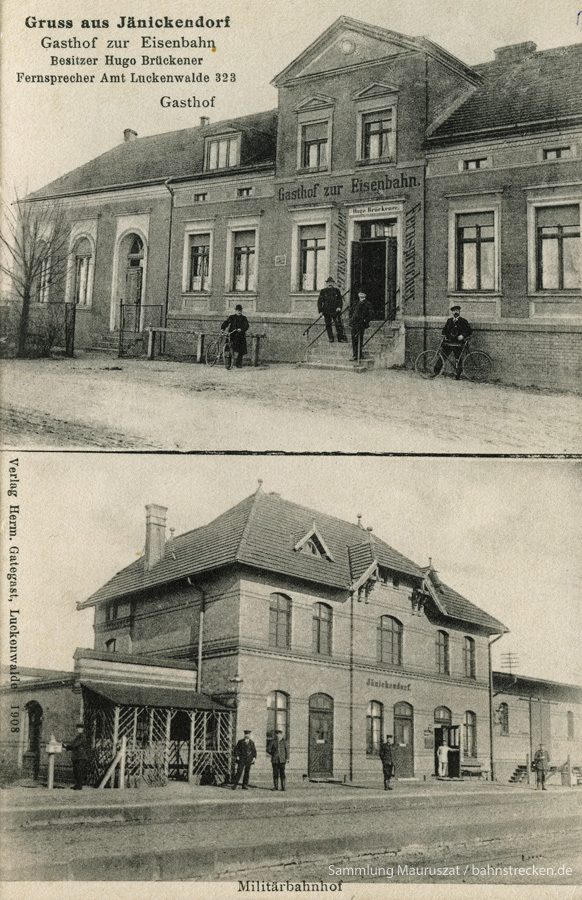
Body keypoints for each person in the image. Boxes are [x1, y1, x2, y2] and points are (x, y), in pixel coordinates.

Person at [436, 304, 473, 378]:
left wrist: (463, 335)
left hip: (458, 343)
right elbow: (444, 330)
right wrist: (444, 335)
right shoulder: (449, 321)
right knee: (443, 356)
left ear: (459, 312)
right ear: (452, 312)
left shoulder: (463, 321)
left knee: (458, 358)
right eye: (454, 311)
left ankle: (458, 374)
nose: (456, 312)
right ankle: (436, 371)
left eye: (457, 311)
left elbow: (469, 330)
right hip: (449, 343)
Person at [317, 276, 347, 343]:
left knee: (338, 324)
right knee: (328, 324)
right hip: (326, 311)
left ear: (333, 283)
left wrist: (339, 307)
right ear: (327, 283)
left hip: (335, 310)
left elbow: (340, 300)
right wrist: (321, 311)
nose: (330, 284)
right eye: (328, 282)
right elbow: (319, 301)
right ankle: (331, 338)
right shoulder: (323, 291)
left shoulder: (337, 291)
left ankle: (340, 338)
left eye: (331, 282)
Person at [221, 304, 250, 368]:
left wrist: (241, 329)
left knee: (241, 350)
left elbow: (247, 326)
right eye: (238, 310)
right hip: (232, 335)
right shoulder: (232, 317)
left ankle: (238, 363)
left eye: (240, 310)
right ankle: (228, 364)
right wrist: (222, 328)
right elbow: (226, 322)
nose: (239, 312)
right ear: (235, 311)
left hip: (240, 336)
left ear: (241, 311)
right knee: (230, 349)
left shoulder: (244, 318)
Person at [64, 722, 90, 790]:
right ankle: (77, 785)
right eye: (78, 728)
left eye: (80, 728)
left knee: (79, 771)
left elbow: (74, 745)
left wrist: (67, 746)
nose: (78, 730)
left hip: (80, 756)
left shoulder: (82, 737)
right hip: (77, 756)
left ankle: (79, 785)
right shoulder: (78, 737)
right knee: (76, 771)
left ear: (83, 729)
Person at [350, 290, 372, 362]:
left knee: (359, 338)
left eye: (363, 293)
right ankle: (355, 354)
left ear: (365, 295)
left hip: (361, 323)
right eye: (360, 293)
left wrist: (365, 320)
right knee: (354, 338)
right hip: (354, 323)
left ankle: (359, 354)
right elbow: (352, 311)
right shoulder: (356, 303)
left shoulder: (367, 304)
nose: (361, 294)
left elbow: (371, 314)